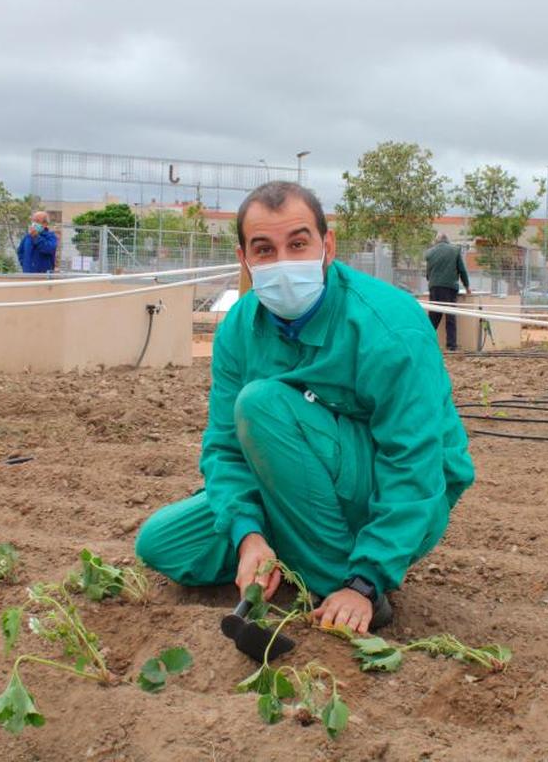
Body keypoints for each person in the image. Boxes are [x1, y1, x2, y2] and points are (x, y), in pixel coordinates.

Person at [135, 181, 475, 634]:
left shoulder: (389, 326)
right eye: (265, 250)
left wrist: (365, 580)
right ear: (245, 259)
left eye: (298, 244)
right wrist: (247, 536)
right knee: (163, 542)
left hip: (390, 491)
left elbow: (415, 461)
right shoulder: (239, 326)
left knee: (261, 404)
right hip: (297, 479)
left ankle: (344, 579)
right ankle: (284, 547)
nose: (283, 262)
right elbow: (224, 448)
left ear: (327, 245)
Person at [424, 234, 471, 351]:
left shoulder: (430, 252)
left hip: (434, 287)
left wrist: (433, 281)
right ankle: (451, 346)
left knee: (434, 317)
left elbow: (428, 273)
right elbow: (462, 270)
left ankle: (426, 343)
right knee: (450, 316)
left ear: (437, 241)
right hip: (449, 288)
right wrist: (467, 286)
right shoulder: (455, 250)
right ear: (447, 241)